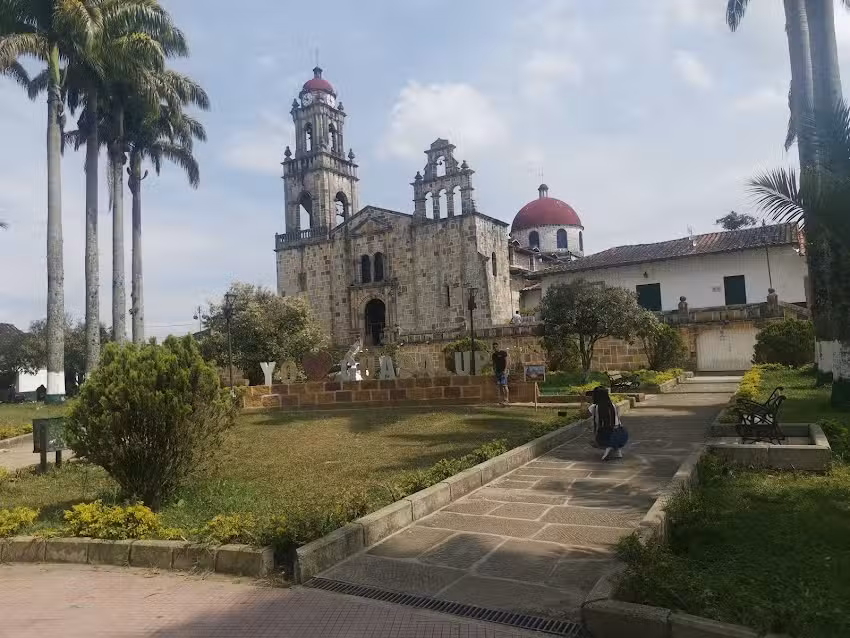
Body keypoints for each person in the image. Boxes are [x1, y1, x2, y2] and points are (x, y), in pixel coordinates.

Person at [588, 386, 626, 461]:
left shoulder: (594, 407)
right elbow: (617, 417)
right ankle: (617, 451)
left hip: (603, 431)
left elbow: (589, 416)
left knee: (596, 440)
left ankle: (609, 448)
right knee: (614, 436)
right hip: (617, 430)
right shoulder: (613, 405)